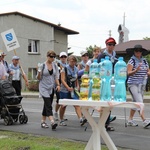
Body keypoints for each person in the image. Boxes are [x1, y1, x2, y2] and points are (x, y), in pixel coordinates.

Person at [126, 44, 150, 128]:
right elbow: (128, 72)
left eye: (140, 51)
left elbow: (148, 71)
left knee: (135, 102)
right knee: (140, 101)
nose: (138, 52)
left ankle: (130, 120)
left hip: (141, 84)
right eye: (136, 51)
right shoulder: (131, 61)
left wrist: (148, 73)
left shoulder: (144, 61)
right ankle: (144, 120)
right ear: (134, 52)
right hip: (133, 84)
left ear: (142, 52)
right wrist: (136, 70)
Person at [37, 50, 60, 130]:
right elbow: (38, 78)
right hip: (43, 88)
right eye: (51, 56)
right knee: (48, 105)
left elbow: (56, 77)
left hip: (51, 88)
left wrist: (58, 85)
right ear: (47, 56)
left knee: (46, 105)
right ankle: (52, 122)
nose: (52, 58)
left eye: (54, 57)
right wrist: (39, 72)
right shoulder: (43, 65)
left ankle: (43, 121)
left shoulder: (55, 66)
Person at [97, 37, 117, 131]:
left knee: (109, 102)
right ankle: (102, 123)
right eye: (109, 44)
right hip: (103, 80)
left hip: (112, 81)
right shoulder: (102, 56)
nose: (111, 46)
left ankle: (106, 123)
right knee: (104, 102)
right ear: (106, 45)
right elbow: (98, 68)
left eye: (113, 45)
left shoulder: (115, 56)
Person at [59, 55, 84, 126]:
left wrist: (77, 86)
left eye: (73, 61)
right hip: (65, 89)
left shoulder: (76, 69)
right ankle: (61, 119)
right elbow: (62, 80)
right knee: (64, 105)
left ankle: (80, 118)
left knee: (76, 104)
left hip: (73, 89)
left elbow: (76, 78)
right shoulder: (65, 69)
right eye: (70, 61)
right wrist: (67, 87)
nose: (72, 63)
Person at [54, 51, 68, 121]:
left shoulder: (67, 65)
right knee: (59, 100)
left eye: (64, 57)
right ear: (60, 58)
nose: (63, 58)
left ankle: (62, 114)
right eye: (62, 57)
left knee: (64, 101)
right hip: (58, 83)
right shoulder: (57, 65)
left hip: (65, 85)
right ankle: (56, 112)